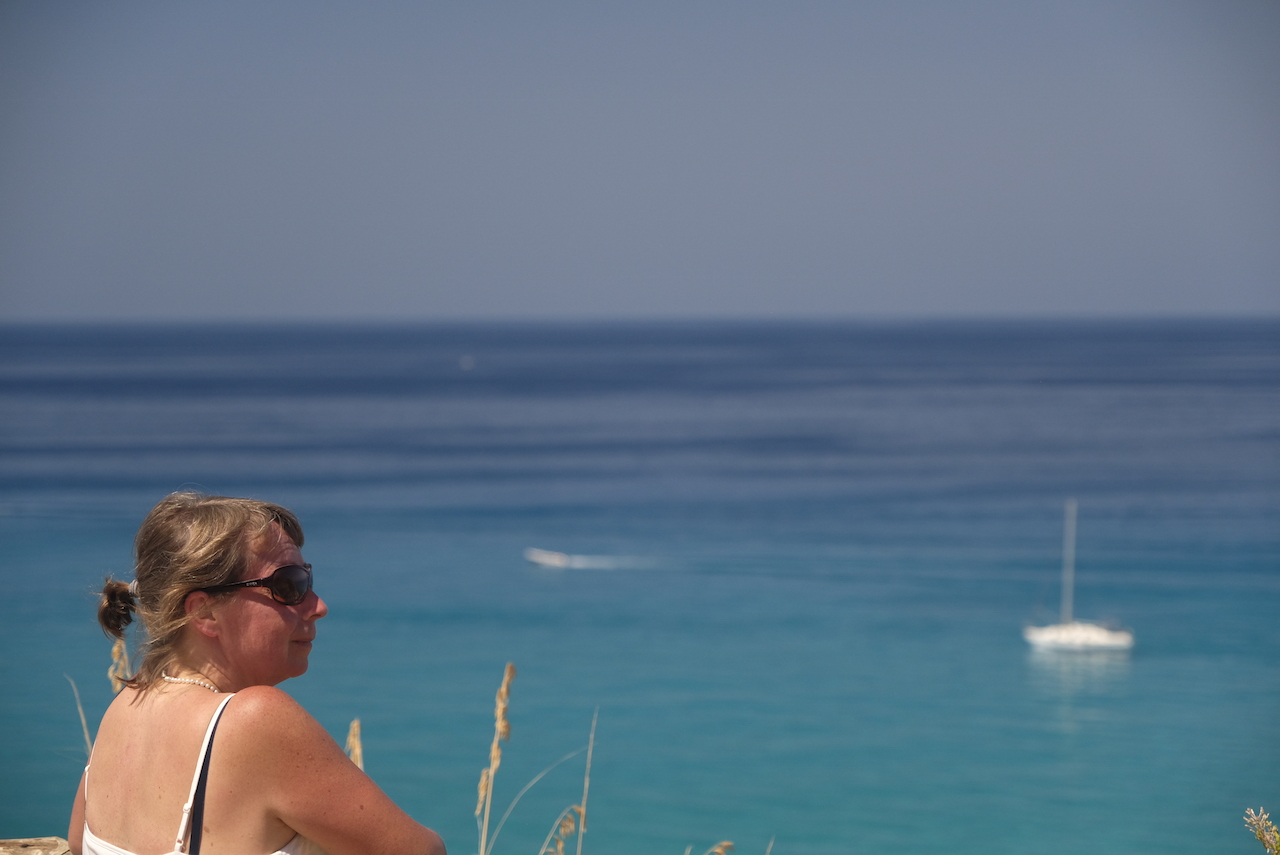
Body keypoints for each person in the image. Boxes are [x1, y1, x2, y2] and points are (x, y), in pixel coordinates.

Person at [68, 492, 446, 855]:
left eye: (306, 579)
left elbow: (78, 843)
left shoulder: (126, 705)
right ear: (204, 613)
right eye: (289, 585)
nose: (319, 606)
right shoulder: (255, 718)